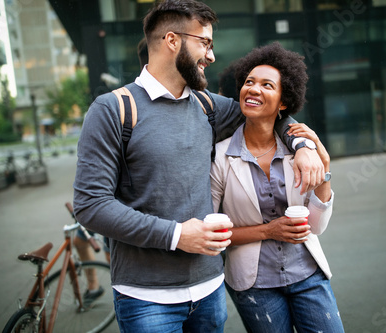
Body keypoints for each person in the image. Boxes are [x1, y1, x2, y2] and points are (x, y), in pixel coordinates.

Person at [73, 1, 325, 332]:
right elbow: (91, 205)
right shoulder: (113, 110)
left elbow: (268, 112)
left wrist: (303, 145)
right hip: (146, 299)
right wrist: (177, 235)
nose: (211, 56)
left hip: (209, 290)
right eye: (204, 43)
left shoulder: (207, 106)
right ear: (172, 41)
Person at [210, 42, 345, 333]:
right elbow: (212, 234)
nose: (254, 89)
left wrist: (324, 169)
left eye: (267, 85)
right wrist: (267, 231)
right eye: (249, 82)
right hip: (254, 284)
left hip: (308, 274)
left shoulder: (298, 150)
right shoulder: (220, 157)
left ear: (283, 102)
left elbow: (316, 227)